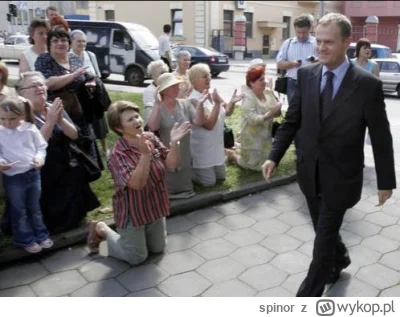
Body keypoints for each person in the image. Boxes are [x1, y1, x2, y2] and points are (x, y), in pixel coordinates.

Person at [262, 13, 396, 297]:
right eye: (318, 41)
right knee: (324, 232)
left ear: (346, 42)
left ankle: (306, 297)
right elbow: (292, 120)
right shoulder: (307, 75)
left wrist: (386, 181)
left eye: (328, 42)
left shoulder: (366, 85)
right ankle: (341, 260)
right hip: (309, 173)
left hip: (341, 177)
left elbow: (382, 137)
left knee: (321, 244)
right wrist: (274, 155)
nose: (320, 48)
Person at [86, 101, 191, 265]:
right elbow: (136, 185)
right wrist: (145, 156)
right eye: (130, 120)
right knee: (137, 258)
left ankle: (139, 238)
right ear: (119, 128)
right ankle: (101, 229)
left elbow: (172, 165)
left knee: (158, 249)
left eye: (137, 116)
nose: (137, 121)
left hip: (155, 206)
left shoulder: (150, 137)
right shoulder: (118, 154)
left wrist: (174, 143)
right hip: (133, 211)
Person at [16, 71, 101, 233]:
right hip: (42, 170)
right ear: (22, 92)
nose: (39, 87)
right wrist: (50, 122)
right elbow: (34, 147)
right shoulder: (20, 115)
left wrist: (61, 119)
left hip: (65, 163)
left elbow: (75, 134)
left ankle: (75, 220)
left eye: (41, 84)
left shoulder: (51, 107)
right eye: (33, 85)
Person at [35, 28, 103, 172]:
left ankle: (87, 174)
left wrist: (90, 82)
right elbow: (48, 83)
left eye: (63, 40)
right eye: (55, 40)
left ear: (69, 42)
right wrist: (73, 75)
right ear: (49, 44)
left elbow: (84, 76)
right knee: (67, 149)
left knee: (85, 142)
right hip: (60, 112)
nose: (60, 43)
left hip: (81, 111)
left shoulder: (74, 58)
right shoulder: (44, 59)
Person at [0, 97, 53, 253]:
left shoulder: (30, 128)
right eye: (3, 118)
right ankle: (25, 238)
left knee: (35, 207)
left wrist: (39, 158)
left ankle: (41, 234)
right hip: (13, 177)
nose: (7, 123)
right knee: (19, 209)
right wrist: (1, 162)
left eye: (12, 119)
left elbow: (41, 146)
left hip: (33, 173)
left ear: (21, 116)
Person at [147, 73, 206, 198]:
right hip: (166, 149)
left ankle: (185, 190)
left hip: (184, 149)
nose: (177, 88)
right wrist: (157, 104)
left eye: (177, 85)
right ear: (163, 90)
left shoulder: (185, 103)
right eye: (173, 86)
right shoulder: (155, 106)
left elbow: (199, 122)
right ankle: (168, 193)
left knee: (184, 169)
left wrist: (200, 106)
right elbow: (153, 127)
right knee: (170, 172)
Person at [187, 63, 243, 187]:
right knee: (209, 182)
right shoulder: (194, 99)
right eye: (204, 76)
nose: (208, 78)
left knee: (221, 177)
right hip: (203, 148)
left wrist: (232, 102)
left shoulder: (212, 94)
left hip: (216, 147)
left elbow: (227, 112)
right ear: (194, 80)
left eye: (209, 75)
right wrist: (217, 105)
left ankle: (225, 155)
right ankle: (188, 172)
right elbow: (209, 125)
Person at [230, 65, 282, 171]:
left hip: (265, 137)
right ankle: (232, 155)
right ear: (252, 82)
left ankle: (237, 146)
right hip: (251, 137)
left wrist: (277, 111)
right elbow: (253, 120)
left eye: (264, 78)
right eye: (261, 79)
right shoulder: (248, 97)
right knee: (253, 167)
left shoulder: (268, 92)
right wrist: (271, 113)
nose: (264, 81)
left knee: (270, 166)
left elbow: (277, 113)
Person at [70, 29, 110, 157]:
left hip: (93, 93)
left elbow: (97, 74)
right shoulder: (68, 57)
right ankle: (88, 148)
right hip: (80, 95)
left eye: (84, 41)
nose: (82, 44)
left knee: (99, 122)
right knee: (85, 122)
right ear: (71, 41)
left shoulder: (90, 55)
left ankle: (104, 148)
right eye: (78, 41)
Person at [276, 14, 318, 102]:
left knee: (310, 110)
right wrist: (292, 64)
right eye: (298, 32)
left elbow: (325, 62)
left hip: (311, 83)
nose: (301, 35)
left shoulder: (317, 43)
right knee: (293, 111)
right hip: (293, 83)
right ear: (294, 29)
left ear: (310, 29)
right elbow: (279, 64)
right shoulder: (288, 43)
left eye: (304, 32)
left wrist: (316, 60)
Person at [142, 60, 169, 124]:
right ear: (152, 76)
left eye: (166, 72)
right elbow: (150, 116)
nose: (165, 75)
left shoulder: (170, 87)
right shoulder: (149, 91)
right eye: (162, 73)